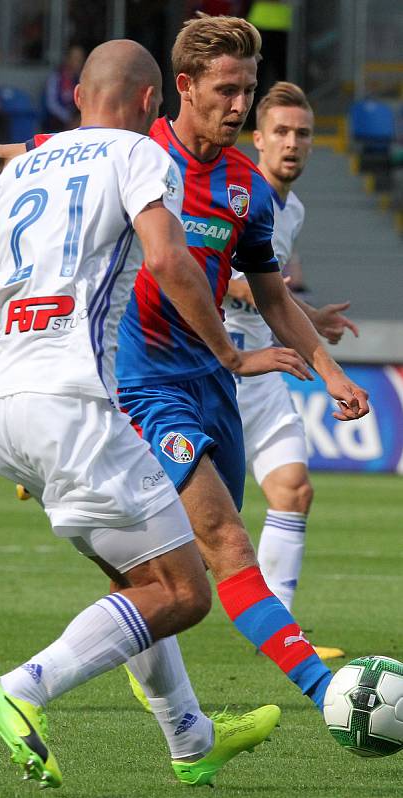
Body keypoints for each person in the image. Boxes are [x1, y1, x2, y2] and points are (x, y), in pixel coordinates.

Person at [0, 14, 369, 716]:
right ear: (181, 89)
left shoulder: (245, 188)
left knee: (169, 568)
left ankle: (188, 731)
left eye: (247, 91)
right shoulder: (132, 149)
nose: (237, 106)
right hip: (134, 384)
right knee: (219, 547)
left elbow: (268, 293)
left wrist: (332, 374)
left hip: (210, 385)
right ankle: (325, 693)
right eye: (226, 89)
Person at [0, 39, 281, 790]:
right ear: (150, 103)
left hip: (6, 409)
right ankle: (22, 687)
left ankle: (190, 737)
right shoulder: (142, 158)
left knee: (135, 575)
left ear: (76, 96)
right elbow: (170, 263)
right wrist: (232, 357)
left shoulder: (16, 176)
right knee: (182, 592)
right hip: (80, 403)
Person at [225, 82, 359, 655]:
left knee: (293, 489)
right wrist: (290, 310)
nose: (293, 143)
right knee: (186, 519)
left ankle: (279, 630)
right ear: (258, 138)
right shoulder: (235, 191)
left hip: (265, 365)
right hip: (216, 363)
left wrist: (309, 317)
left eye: (303, 133)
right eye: (281, 131)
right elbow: (221, 278)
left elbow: (268, 290)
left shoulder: (293, 209)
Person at [42, 44, 85, 132]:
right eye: (74, 59)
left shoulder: (80, 78)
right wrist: (67, 118)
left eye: (79, 59)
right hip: (57, 119)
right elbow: (51, 104)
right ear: (67, 59)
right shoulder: (56, 77)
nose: (77, 62)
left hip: (74, 118)